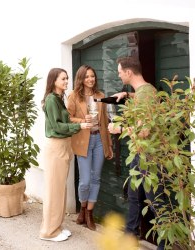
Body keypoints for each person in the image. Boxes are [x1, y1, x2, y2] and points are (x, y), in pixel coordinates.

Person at [108, 56, 167, 250]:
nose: (118, 75)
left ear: (128, 72)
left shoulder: (145, 95)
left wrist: (119, 129)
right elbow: (143, 98)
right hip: (139, 154)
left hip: (148, 156)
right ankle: (130, 235)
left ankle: (163, 245)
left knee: (155, 202)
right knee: (134, 196)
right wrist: (127, 95)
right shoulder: (145, 90)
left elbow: (144, 131)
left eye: (119, 72)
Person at [40, 68, 92, 242]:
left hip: (63, 146)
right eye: (63, 79)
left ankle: (57, 226)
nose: (66, 81)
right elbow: (57, 127)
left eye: (67, 79)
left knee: (60, 189)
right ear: (54, 80)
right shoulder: (51, 100)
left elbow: (66, 121)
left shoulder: (58, 99)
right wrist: (79, 127)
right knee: (54, 191)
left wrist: (81, 121)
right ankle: (48, 232)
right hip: (56, 147)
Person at [67, 65, 113, 231]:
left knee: (96, 179)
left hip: (99, 140)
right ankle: (83, 208)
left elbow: (106, 121)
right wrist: (82, 121)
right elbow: (68, 118)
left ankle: (89, 214)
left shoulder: (100, 96)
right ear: (81, 78)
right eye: (86, 77)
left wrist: (109, 144)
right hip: (83, 141)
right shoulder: (74, 96)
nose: (90, 79)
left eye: (92, 76)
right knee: (85, 180)